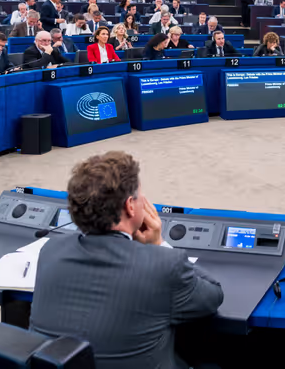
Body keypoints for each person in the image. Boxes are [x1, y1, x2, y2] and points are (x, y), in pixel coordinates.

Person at [30, 151, 224, 369]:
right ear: (130, 206)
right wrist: (158, 243)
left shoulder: (50, 250)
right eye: (141, 197)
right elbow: (213, 296)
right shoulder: (164, 266)